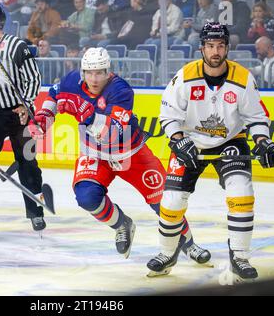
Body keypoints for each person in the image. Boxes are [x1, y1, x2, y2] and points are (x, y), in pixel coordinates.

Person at [28, 47, 211, 263]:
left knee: (164, 203)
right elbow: (53, 96)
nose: (94, 79)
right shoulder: (71, 81)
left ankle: (189, 244)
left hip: (131, 154)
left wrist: (85, 112)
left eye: (99, 73)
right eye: (89, 72)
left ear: (109, 72)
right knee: (87, 197)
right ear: (82, 71)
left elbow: (112, 132)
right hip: (94, 155)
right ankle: (122, 224)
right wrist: (43, 117)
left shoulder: (121, 90)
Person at [147, 23, 274, 281]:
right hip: (190, 143)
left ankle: (240, 257)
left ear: (227, 47)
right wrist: (177, 140)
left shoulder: (243, 78)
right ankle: (167, 254)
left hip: (230, 141)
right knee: (172, 203)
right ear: (202, 48)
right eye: (210, 46)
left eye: (220, 46)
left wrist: (264, 142)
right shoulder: (185, 76)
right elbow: (168, 115)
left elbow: (256, 117)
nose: (215, 51)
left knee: (241, 194)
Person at [0, 6, 47, 233]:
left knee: (28, 164)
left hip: (19, 115)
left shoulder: (17, 45)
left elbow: (34, 78)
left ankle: (36, 213)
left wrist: (26, 104)